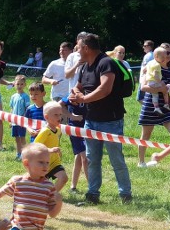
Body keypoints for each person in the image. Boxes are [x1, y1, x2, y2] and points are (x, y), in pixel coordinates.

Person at [69, 32, 132, 205]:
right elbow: (77, 86)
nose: (77, 50)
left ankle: (125, 195)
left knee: (116, 159)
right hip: (91, 120)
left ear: (86, 48)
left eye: (78, 47)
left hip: (111, 121)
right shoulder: (84, 66)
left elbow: (105, 89)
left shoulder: (106, 63)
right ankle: (93, 194)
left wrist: (83, 99)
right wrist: (76, 94)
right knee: (92, 159)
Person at [137, 43, 170, 170]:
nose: (168, 56)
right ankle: (141, 162)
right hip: (150, 105)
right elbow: (143, 87)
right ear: (160, 54)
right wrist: (162, 88)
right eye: (166, 53)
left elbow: (168, 89)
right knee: (146, 135)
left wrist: (166, 93)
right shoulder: (151, 66)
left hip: (165, 105)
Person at [34, 102, 69, 191]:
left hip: (54, 162)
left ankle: (52, 195)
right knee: (39, 186)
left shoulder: (58, 130)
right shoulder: (45, 131)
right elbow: (35, 147)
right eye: (56, 115)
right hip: (42, 163)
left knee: (63, 178)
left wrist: (58, 151)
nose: (59, 117)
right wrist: (49, 150)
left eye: (60, 114)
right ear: (46, 117)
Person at [58, 96, 87, 192]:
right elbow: (59, 104)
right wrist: (71, 116)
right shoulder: (73, 93)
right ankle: (92, 188)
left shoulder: (91, 92)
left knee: (79, 156)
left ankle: (73, 186)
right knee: (85, 158)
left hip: (89, 128)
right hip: (75, 129)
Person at [143, 47, 170, 115]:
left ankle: (156, 107)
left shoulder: (150, 62)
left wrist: (145, 72)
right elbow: (155, 75)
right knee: (166, 90)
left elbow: (145, 69)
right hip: (155, 81)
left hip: (150, 83)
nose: (164, 59)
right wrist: (161, 82)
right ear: (156, 56)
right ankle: (166, 104)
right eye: (162, 57)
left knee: (155, 95)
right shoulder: (157, 64)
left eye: (165, 57)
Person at [9, 75, 31, 159]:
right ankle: (18, 153)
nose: (19, 86)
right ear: (14, 84)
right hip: (14, 121)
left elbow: (27, 108)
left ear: (25, 85)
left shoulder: (25, 96)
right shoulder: (13, 96)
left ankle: (25, 154)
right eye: (18, 84)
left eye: (21, 84)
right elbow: (12, 108)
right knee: (16, 138)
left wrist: (25, 120)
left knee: (22, 138)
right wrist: (10, 120)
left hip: (22, 121)